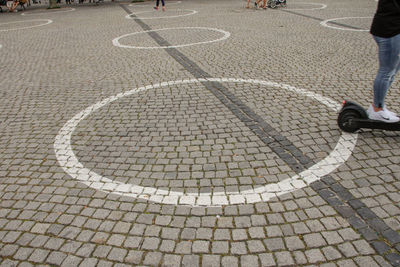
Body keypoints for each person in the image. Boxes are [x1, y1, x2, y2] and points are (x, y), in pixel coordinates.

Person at [368, 0, 400, 122]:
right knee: (387, 71)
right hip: (390, 29)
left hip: (390, 27)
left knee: (392, 69)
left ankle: (380, 106)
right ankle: (377, 109)